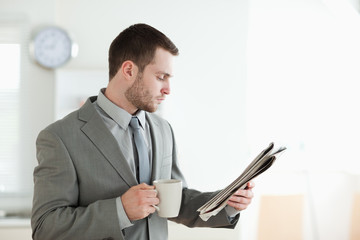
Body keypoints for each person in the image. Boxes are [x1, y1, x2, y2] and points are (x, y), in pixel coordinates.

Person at [31, 23, 254, 240]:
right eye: (160, 77)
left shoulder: (162, 129)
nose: (167, 89)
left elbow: (175, 201)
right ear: (129, 70)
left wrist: (226, 201)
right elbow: (45, 228)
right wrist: (120, 211)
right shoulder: (59, 137)